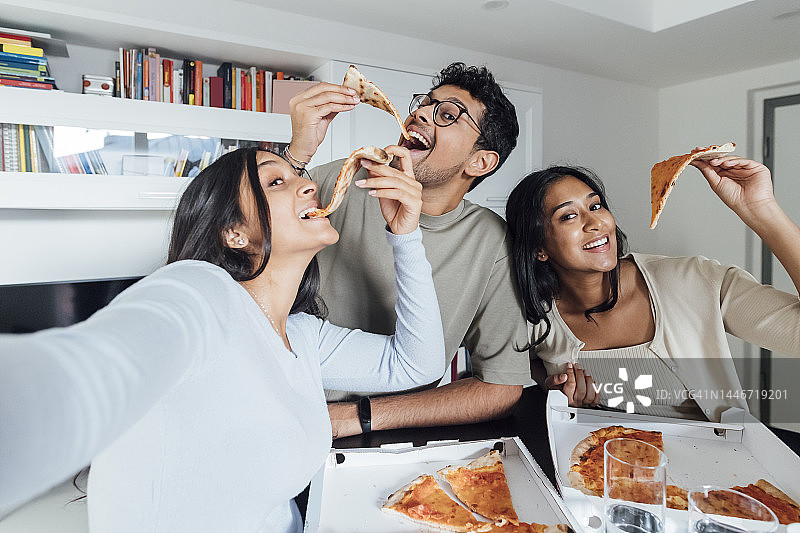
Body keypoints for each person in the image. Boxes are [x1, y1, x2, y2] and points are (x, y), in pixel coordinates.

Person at [0, 147, 445, 533]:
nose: (308, 186)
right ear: (235, 233)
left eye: (300, 177)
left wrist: (405, 235)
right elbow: (77, 380)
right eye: (276, 181)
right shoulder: (202, 292)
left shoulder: (304, 335)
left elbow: (417, 364)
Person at [285, 62, 531, 438]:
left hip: (398, 433)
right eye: (425, 103)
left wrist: (359, 417)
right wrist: (295, 156)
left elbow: (501, 385)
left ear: (480, 162)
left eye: (448, 114)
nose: (419, 113)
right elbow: (234, 240)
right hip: (291, 414)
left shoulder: (491, 242)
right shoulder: (342, 178)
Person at [505, 156, 800, 420]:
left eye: (595, 205)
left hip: (720, 474)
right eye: (568, 215)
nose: (596, 222)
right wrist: (555, 392)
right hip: (602, 471)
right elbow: (527, 369)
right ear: (538, 248)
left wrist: (762, 210)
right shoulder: (534, 315)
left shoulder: (694, 280)